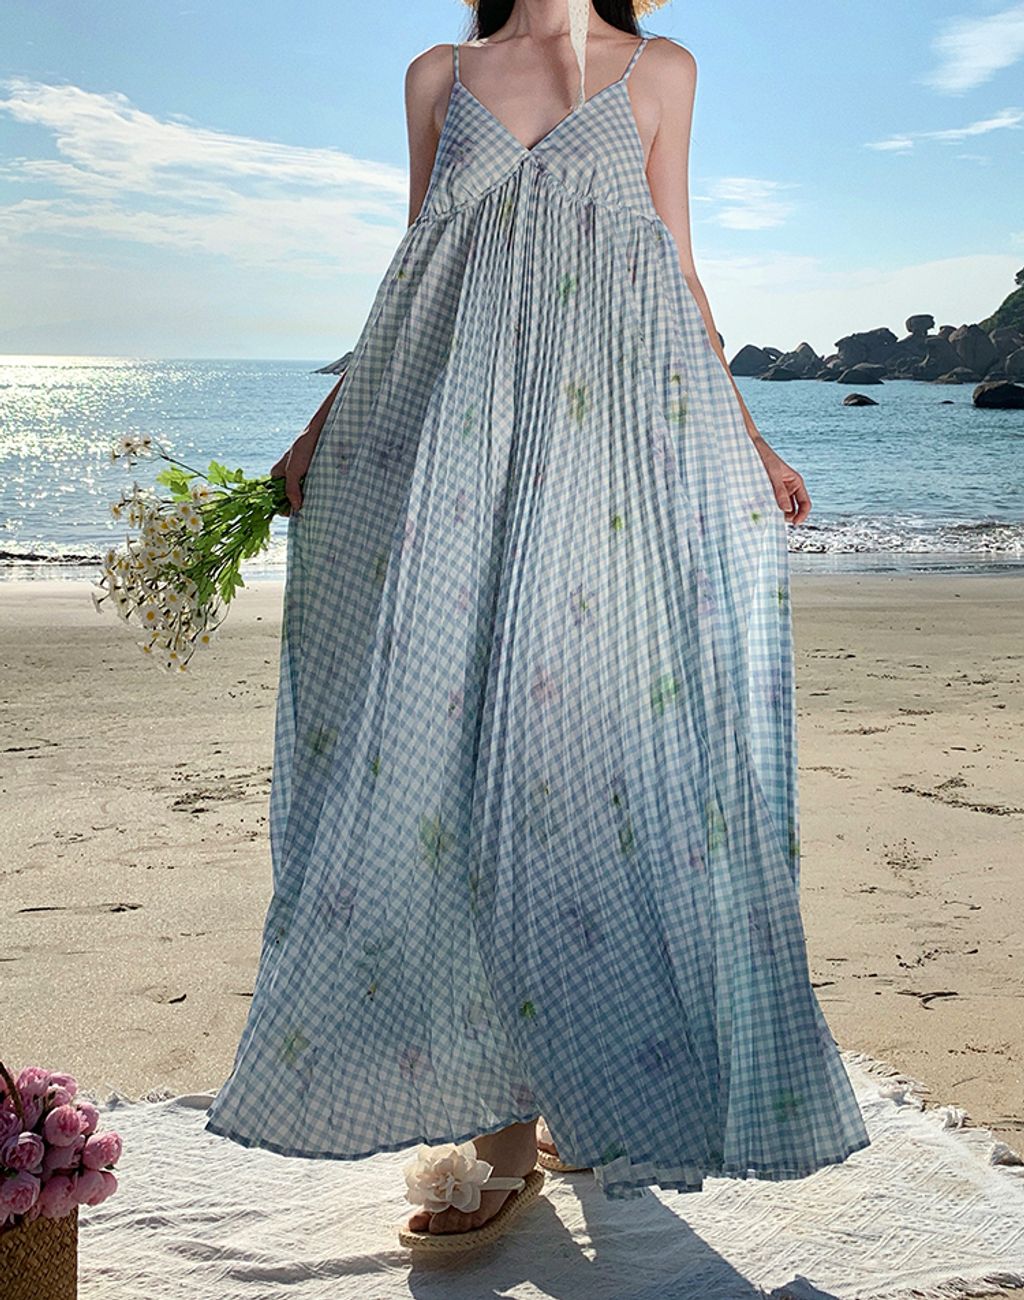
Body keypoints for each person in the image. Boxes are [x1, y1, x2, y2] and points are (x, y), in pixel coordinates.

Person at [204, 0, 871, 1253]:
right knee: (459, 772)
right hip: (458, 465)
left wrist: (750, 437)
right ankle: (511, 1125)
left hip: (605, 471)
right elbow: (411, 281)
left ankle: (573, 1092)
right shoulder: (439, 75)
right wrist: (318, 430)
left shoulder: (662, 72)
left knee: (579, 774)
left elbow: (679, 275)